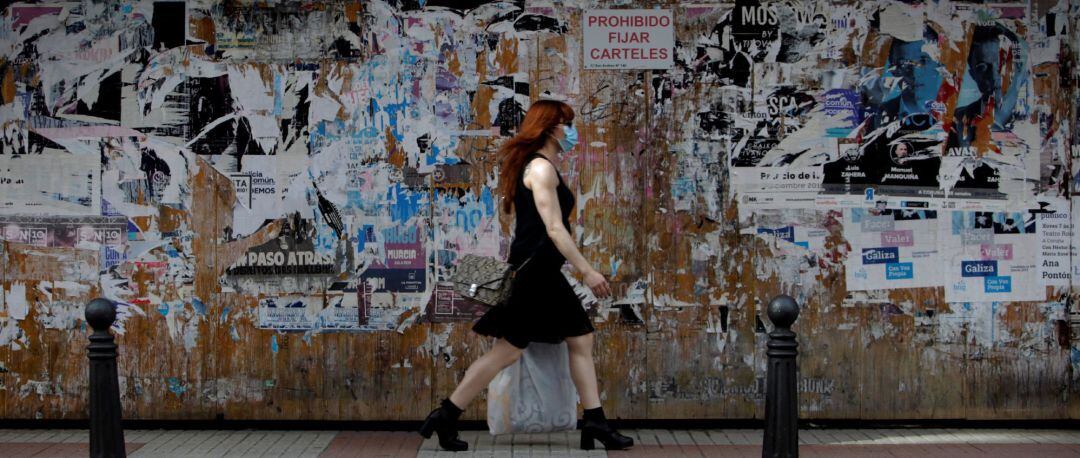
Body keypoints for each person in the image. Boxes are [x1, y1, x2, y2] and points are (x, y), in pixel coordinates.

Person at [417, 96, 634, 452]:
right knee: (512, 351)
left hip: (541, 271)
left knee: (574, 341)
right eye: (567, 124)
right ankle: (445, 415)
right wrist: (587, 271)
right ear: (550, 128)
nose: (571, 131)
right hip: (536, 274)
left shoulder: (542, 165)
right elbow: (554, 229)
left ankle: (594, 420)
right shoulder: (540, 169)